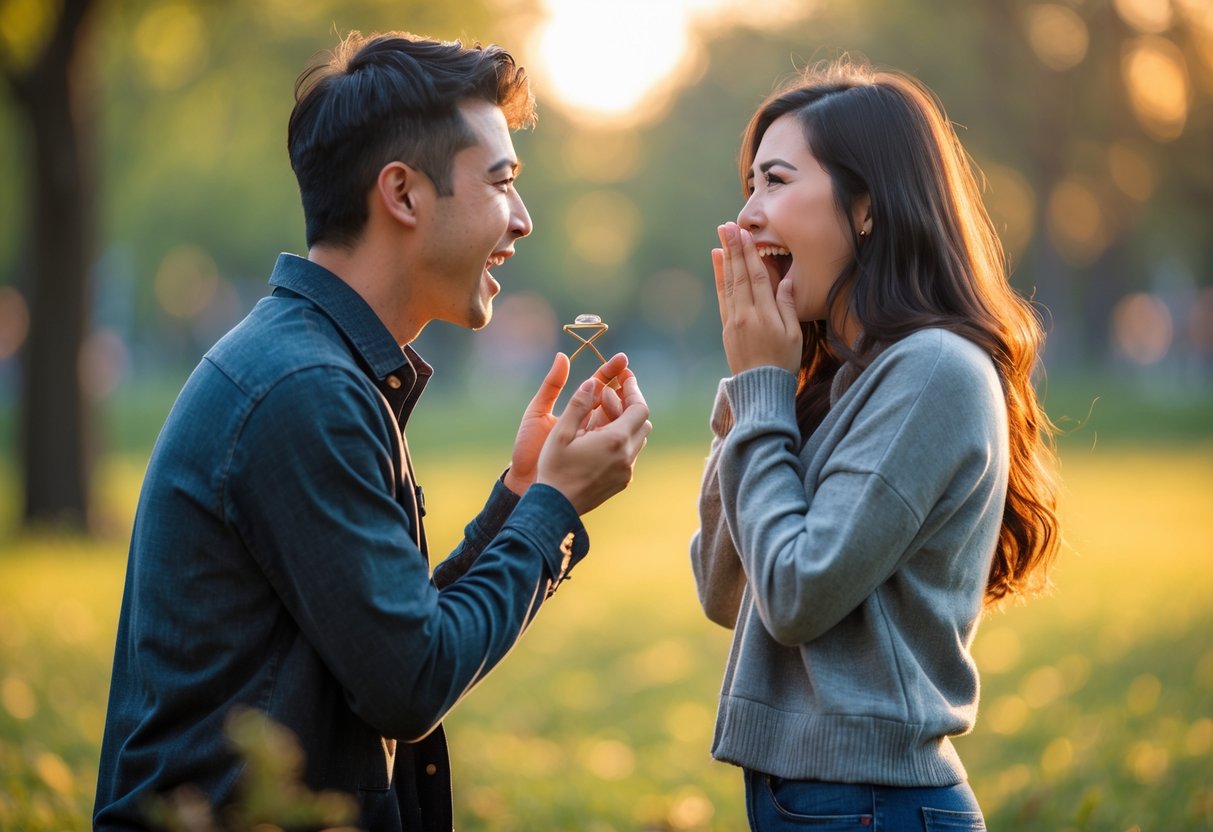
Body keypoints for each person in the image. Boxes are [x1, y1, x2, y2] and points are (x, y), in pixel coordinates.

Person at [95, 31, 651, 831]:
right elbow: (409, 682)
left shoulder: (316, 367)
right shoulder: (304, 389)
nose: (522, 220)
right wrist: (552, 511)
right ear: (402, 194)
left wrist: (522, 497)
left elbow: (388, 634)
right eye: (501, 183)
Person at [690, 58, 1060, 830]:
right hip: (812, 798)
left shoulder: (933, 371)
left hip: (873, 805)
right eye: (749, 185)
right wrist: (758, 390)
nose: (747, 215)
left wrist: (761, 385)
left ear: (864, 207)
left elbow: (794, 596)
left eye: (777, 181)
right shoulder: (834, 378)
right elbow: (729, 591)